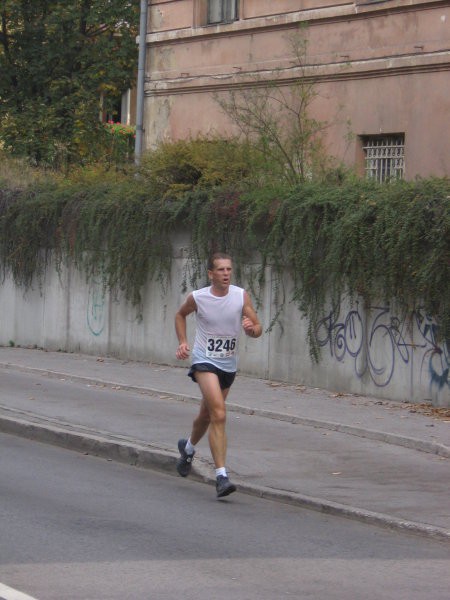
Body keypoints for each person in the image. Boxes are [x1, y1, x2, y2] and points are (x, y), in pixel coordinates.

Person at [175, 252, 262, 498]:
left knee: (207, 414)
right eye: (221, 270)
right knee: (220, 414)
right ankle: (221, 476)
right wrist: (183, 342)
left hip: (228, 364)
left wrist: (251, 329)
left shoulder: (240, 295)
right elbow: (180, 315)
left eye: (229, 270)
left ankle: (188, 449)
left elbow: (257, 327)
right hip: (204, 361)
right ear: (210, 274)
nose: (226, 274)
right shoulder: (198, 297)